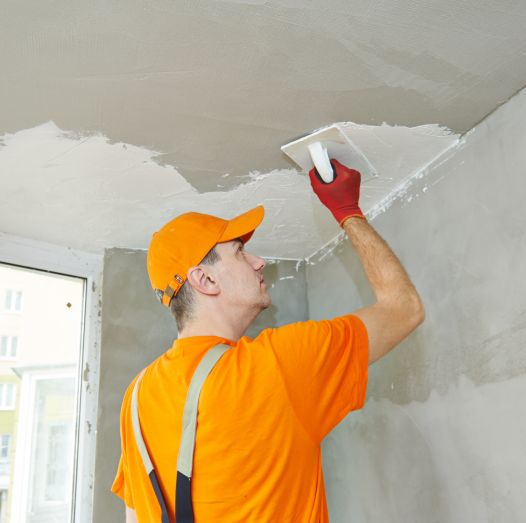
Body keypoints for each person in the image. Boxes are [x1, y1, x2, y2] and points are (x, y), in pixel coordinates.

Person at [111, 159, 425, 522]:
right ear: (205, 280)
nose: (259, 261)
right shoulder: (277, 363)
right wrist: (347, 211)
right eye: (239, 252)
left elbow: (134, 515)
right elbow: (404, 309)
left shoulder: (136, 397)